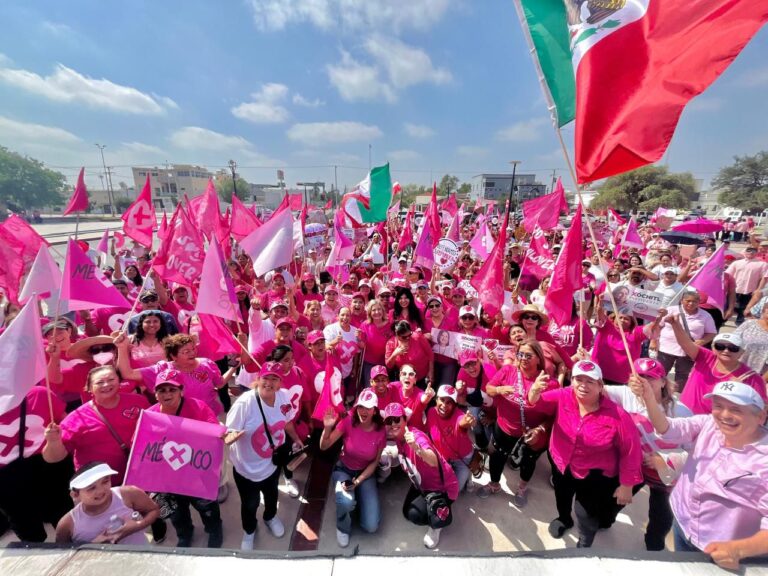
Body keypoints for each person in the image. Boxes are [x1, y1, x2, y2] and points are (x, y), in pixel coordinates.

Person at [633, 379, 768, 570]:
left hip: (724, 550)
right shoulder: (707, 424)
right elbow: (667, 428)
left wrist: (738, 550)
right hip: (683, 522)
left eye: (736, 409)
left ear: (761, 416)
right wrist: (649, 398)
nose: (724, 415)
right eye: (718, 406)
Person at [528, 360, 643, 548]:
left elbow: (631, 451)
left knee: (586, 513)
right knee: (562, 497)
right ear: (571, 381)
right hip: (561, 462)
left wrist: (627, 484)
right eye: (578, 379)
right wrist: (533, 392)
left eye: (590, 381)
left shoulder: (618, 416)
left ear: (600, 386)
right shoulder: (564, 395)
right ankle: (564, 519)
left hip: (594, 473)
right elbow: (537, 402)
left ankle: (584, 542)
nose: (583, 385)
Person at [606, 359, 692, 551]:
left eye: (650, 378)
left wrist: (663, 459)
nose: (643, 381)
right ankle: (604, 521)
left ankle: (654, 548)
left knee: (660, 520)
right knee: (614, 502)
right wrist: (585, 361)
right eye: (639, 377)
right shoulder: (626, 394)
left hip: (666, 475)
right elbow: (595, 388)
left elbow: (695, 451)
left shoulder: (681, 411)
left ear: (663, 381)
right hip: (635, 467)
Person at [225, 362, 305, 550]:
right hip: (246, 468)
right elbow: (227, 433)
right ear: (258, 379)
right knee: (250, 504)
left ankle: (270, 517)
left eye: (274, 378)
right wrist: (231, 437)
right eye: (266, 377)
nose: (269, 382)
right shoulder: (245, 403)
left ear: (279, 382)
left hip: (271, 463)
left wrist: (296, 438)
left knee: (271, 495)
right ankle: (249, 530)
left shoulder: (283, 398)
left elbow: (287, 422)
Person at [147, 370, 224, 548]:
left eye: (172, 389)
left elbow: (214, 431)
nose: (167, 394)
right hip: (168, 477)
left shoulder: (198, 407)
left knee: (207, 508)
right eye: (162, 390)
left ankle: (214, 530)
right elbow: (140, 444)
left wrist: (223, 435)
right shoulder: (149, 416)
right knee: (177, 512)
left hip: (197, 472)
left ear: (181, 391)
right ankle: (185, 534)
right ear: (155, 393)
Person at [481, 340, 558, 506]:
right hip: (503, 428)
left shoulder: (549, 383)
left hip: (530, 435)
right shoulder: (508, 370)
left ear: (539, 358)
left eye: (528, 355)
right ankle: (494, 484)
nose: (523, 358)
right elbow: (489, 388)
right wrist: (500, 390)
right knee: (497, 457)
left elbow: (553, 415)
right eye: (520, 354)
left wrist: (540, 430)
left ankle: (522, 488)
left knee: (528, 462)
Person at [0, 387, 73, 542]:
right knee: (30, 534)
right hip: (6, 479)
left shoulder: (39, 394)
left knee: (66, 522)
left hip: (48, 465)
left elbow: (67, 426)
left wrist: (56, 439)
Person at [382, 402, 459, 549]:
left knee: (415, 515)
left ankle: (437, 525)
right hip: (423, 484)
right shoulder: (399, 439)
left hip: (443, 488)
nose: (392, 424)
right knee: (407, 512)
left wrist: (418, 449)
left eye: (397, 419)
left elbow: (433, 460)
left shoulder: (415, 437)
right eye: (388, 421)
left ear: (405, 420)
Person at [320, 389, 386, 547]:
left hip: (365, 474)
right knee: (346, 503)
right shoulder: (349, 420)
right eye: (361, 407)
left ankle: (357, 502)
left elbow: (374, 462)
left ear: (375, 410)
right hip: (344, 469)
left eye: (368, 408)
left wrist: (357, 482)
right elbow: (324, 446)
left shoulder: (380, 431)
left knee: (371, 526)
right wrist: (327, 428)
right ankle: (343, 526)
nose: (363, 411)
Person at [662, 320, 767, 414]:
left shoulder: (751, 378)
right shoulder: (705, 357)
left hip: (714, 427)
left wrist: (739, 392)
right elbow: (685, 343)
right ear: (713, 348)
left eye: (733, 348)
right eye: (720, 346)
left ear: (742, 352)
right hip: (684, 416)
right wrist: (675, 324)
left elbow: (761, 410)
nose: (726, 351)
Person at [55, 462, 159, 545]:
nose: (101, 491)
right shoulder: (67, 524)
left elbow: (153, 510)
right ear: (75, 495)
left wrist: (137, 526)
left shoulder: (129, 494)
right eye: (91, 488)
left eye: (105, 481)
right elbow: (64, 554)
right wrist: (92, 547)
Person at [655, 289, 716, 393]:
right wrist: (653, 341)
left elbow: (712, 333)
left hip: (688, 351)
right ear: (682, 300)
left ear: (699, 302)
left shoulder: (705, 315)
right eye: (688, 301)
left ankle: (678, 397)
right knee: (660, 372)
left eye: (694, 301)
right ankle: (658, 392)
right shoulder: (670, 310)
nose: (691, 303)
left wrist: (701, 341)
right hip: (666, 348)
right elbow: (657, 326)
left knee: (682, 374)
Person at [424, 385, 476, 493]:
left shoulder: (459, 416)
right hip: (443, 458)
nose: (444, 405)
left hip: (462, 459)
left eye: (449, 402)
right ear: (436, 399)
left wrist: (469, 421)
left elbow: (463, 422)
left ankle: (468, 476)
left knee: (455, 491)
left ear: (454, 405)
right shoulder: (431, 412)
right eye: (442, 400)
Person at [385, 320, 434, 386]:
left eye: (409, 334)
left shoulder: (418, 337)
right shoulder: (391, 343)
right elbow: (389, 365)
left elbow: (430, 354)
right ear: (397, 335)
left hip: (422, 377)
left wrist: (431, 372)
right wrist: (394, 354)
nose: (408, 338)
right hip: (406, 380)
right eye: (404, 337)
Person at [733, 302, 768, 376]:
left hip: (761, 374)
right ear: (763, 312)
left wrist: (762, 380)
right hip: (737, 368)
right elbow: (732, 341)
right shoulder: (749, 324)